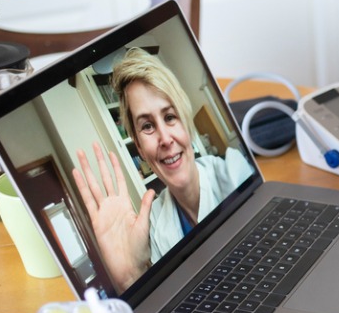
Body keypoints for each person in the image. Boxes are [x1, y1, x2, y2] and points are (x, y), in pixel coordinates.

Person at [72, 47, 252, 291]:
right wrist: (129, 278)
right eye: (147, 125)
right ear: (139, 147)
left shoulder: (235, 173)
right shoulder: (155, 222)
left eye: (169, 117)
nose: (165, 139)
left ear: (185, 122)